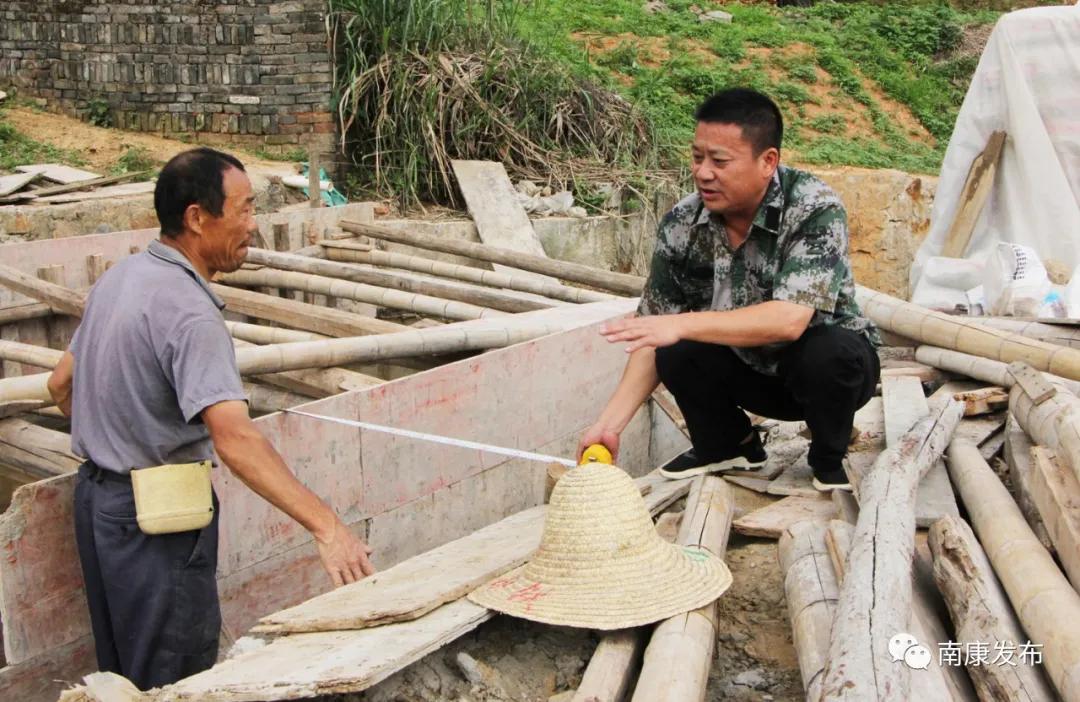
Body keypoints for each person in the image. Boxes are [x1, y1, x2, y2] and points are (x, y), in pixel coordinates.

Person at [46, 147, 375, 690]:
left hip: (98, 508)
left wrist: (122, 429)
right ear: (198, 218)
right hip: (157, 523)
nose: (253, 225)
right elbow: (236, 439)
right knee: (175, 681)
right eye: (244, 210)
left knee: (123, 675)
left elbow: (61, 384)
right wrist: (328, 527)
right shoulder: (191, 313)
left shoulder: (120, 278)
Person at [579, 88, 880, 492]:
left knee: (829, 352)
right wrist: (607, 426)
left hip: (822, 376)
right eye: (697, 157)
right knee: (675, 348)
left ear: (767, 161)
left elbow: (790, 320)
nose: (703, 172)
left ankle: (828, 457)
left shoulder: (813, 208)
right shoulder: (682, 223)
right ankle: (727, 446)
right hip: (747, 372)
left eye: (719, 161)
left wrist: (683, 324)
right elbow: (653, 331)